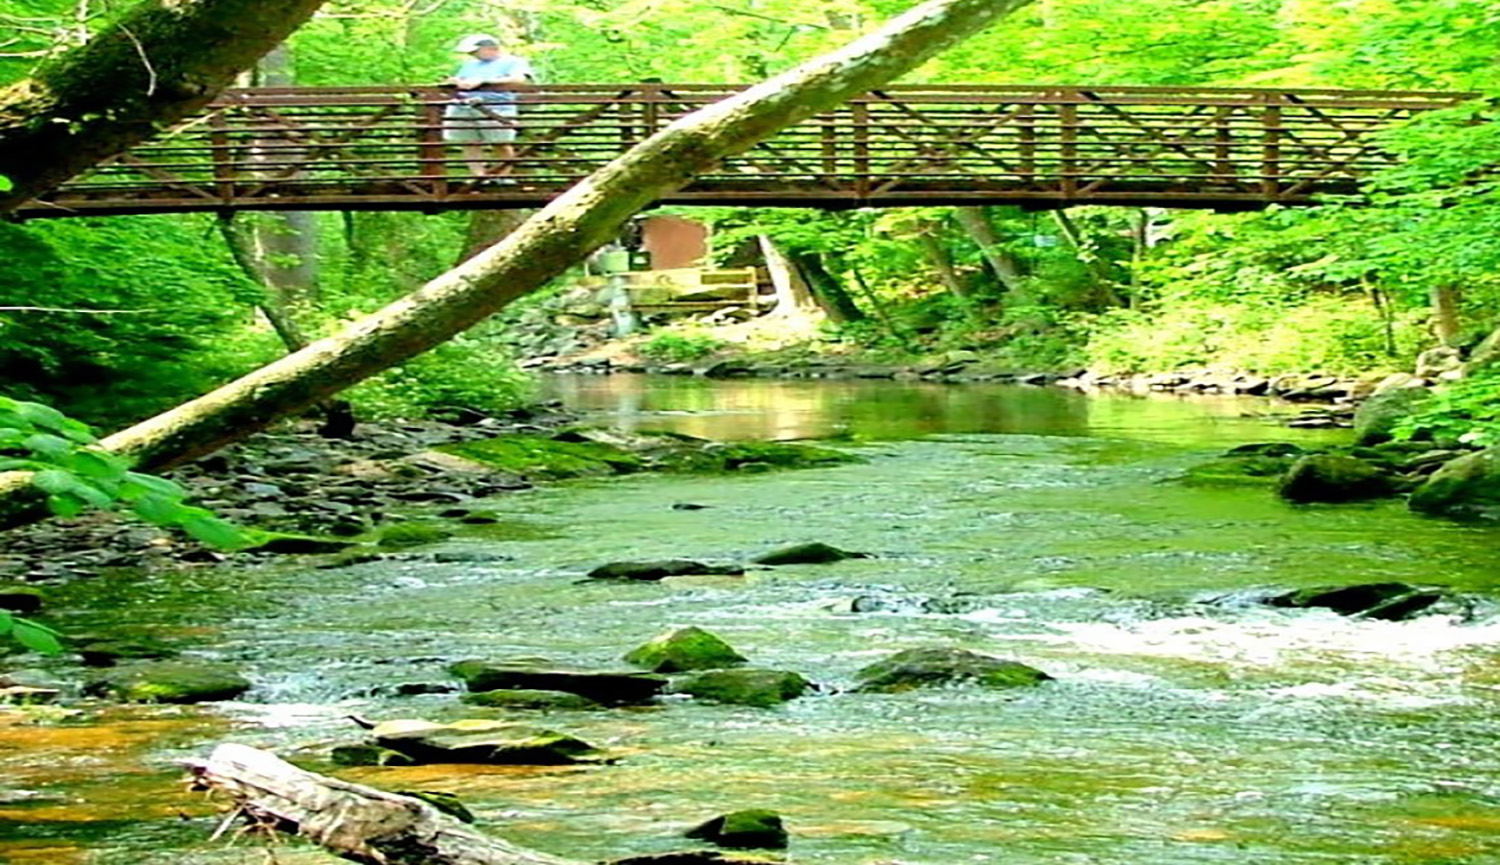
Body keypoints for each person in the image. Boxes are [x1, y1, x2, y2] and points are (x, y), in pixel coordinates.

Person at [443, 33, 533, 183]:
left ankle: (502, 176)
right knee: (468, 142)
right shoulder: (470, 64)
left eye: (474, 51)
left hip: (496, 106)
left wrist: (483, 81)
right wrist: (455, 82)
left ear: (490, 48)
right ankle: (478, 176)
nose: (472, 55)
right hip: (464, 104)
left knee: (501, 142)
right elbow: (463, 80)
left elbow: (519, 80)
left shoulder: (512, 62)